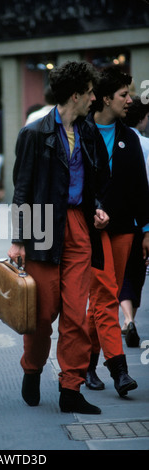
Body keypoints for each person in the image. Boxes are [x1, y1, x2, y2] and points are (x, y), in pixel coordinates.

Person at [8, 61, 109, 415]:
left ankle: (71, 388)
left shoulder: (90, 133)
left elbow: (101, 179)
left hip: (80, 227)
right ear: (76, 95)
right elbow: (21, 190)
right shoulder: (34, 133)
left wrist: (98, 205)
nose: (95, 98)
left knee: (77, 314)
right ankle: (32, 369)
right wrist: (19, 240)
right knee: (42, 313)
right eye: (91, 92)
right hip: (43, 229)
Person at [85, 67, 149, 396]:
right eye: (124, 94)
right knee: (106, 295)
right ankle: (119, 371)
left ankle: (86, 364)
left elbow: (141, 186)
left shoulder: (130, 137)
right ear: (106, 98)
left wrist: (147, 229)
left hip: (125, 228)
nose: (130, 100)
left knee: (101, 300)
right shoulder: (81, 131)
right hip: (92, 229)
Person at [119, 96, 149, 346]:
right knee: (137, 271)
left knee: (122, 271)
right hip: (142, 218)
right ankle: (130, 320)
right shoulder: (144, 144)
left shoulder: (114, 139)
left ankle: (127, 319)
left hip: (119, 218)